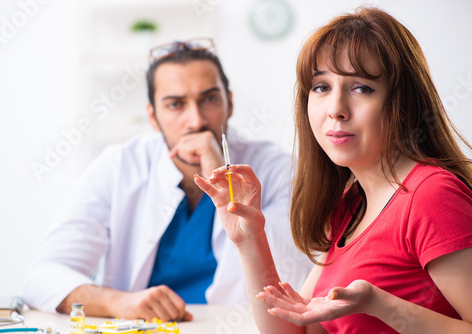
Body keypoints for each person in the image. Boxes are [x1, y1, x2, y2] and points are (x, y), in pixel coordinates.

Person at [195, 8, 472, 333]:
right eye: (321, 87)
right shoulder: (353, 201)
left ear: (403, 102)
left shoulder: (432, 195)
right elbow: (295, 331)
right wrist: (249, 239)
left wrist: (380, 304)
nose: (335, 110)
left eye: (361, 88)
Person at [23, 38, 312, 321]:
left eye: (209, 99)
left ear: (230, 103)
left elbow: (296, 277)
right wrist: (118, 302)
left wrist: (218, 173)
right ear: (152, 115)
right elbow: (44, 276)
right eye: (175, 104)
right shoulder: (119, 167)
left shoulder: (277, 169)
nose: (196, 120)